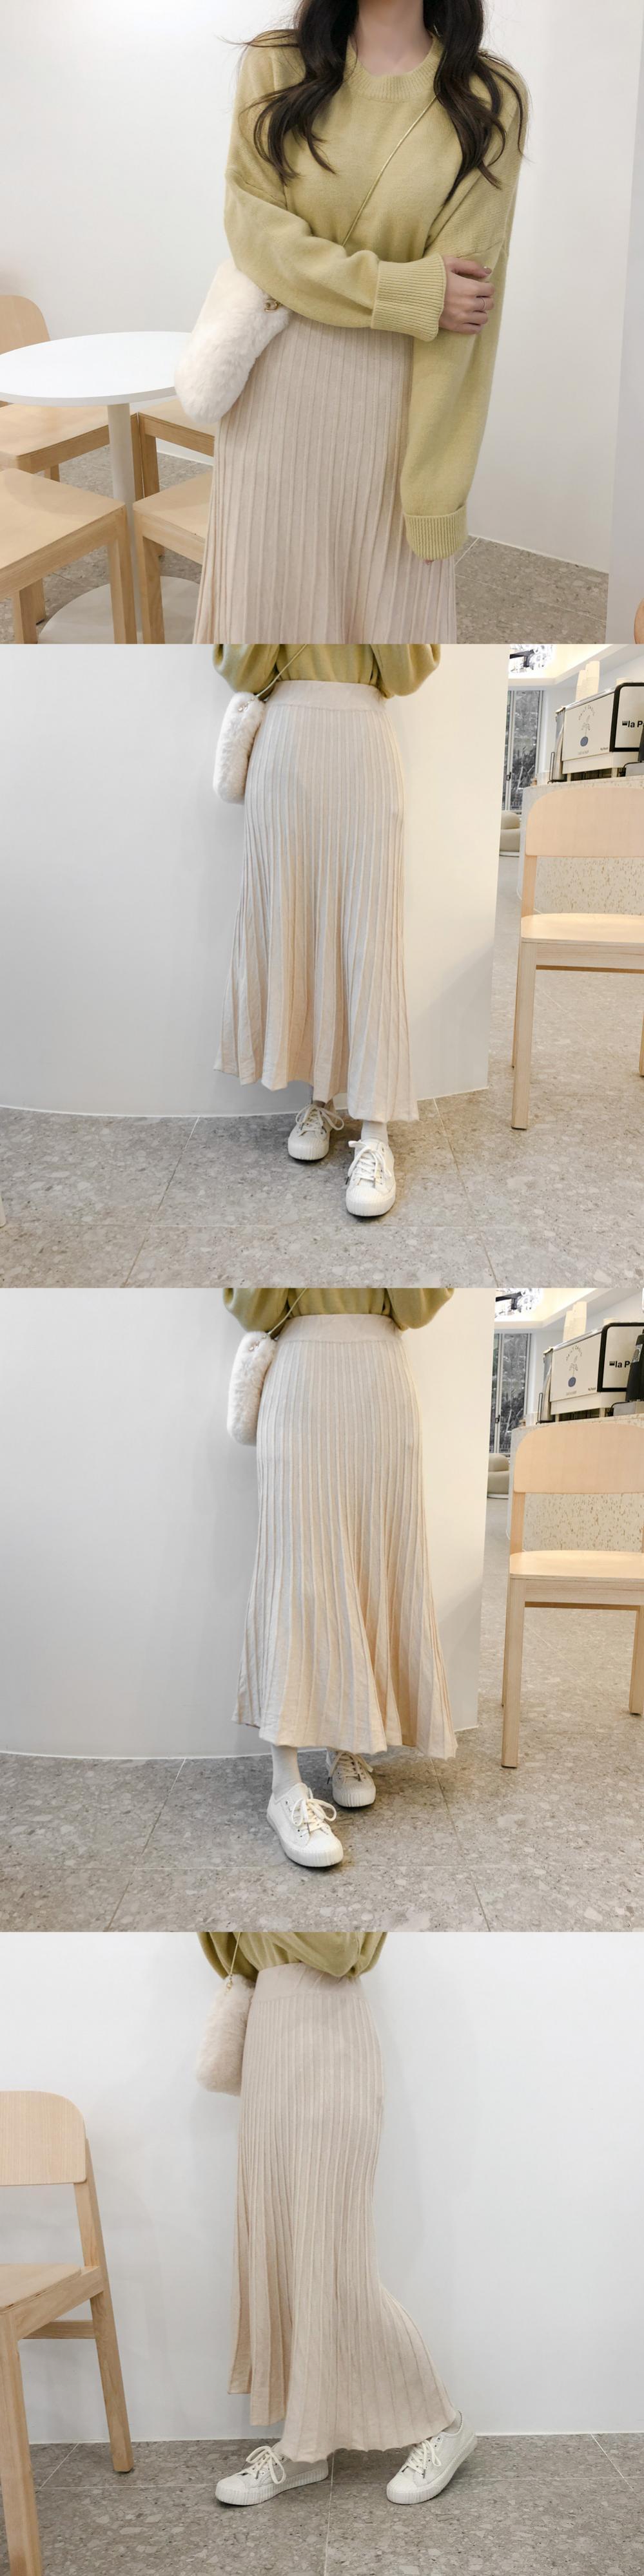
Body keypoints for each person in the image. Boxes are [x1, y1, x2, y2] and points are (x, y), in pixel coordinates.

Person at [195, 0, 527, 642]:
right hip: (275, 396)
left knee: (384, 636)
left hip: (394, 411)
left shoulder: (489, 98)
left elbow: (465, 313)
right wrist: (404, 290)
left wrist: (434, 493)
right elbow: (256, 236)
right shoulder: (277, 63)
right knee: (265, 618)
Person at [201, 1931, 476, 2508]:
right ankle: (306, 2443)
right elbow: (235, 1958)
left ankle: (442, 2423)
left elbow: (338, 1949)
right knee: (280, 2251)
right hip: (267, 2041)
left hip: (328, 2037)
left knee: (332, 2261)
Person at [224, 1286, 457, 1866]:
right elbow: (252, 1304)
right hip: (300, 1373)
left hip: (381, 1380)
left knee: (374, 1563)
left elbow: (418, 1305)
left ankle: (347, 1738)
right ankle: (284, 1785)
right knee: (296, 1575)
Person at [214, 644, 438, 1217]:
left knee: (370, 937)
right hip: (286, 745)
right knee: (299, 927)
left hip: (364, 741)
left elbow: (407, 672)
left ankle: (376, 1128)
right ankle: (320, 1098)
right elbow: (241, 667)